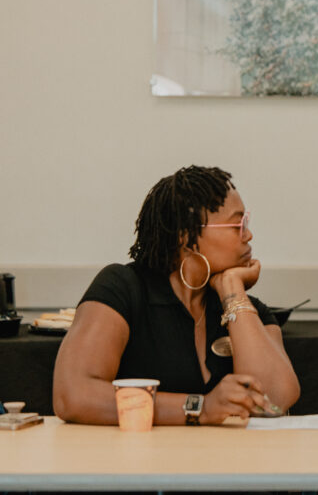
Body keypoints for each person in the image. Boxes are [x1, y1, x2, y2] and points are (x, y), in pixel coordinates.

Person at [53, 165, 300, 425]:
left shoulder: (246, 310)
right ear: (187, 234)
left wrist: (233, 291)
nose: (248, 235)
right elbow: (74, 395)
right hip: (138, 460)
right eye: (237, 224)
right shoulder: (123, 289)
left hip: (224, 462)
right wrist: (198, 408)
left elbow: (275, 401)